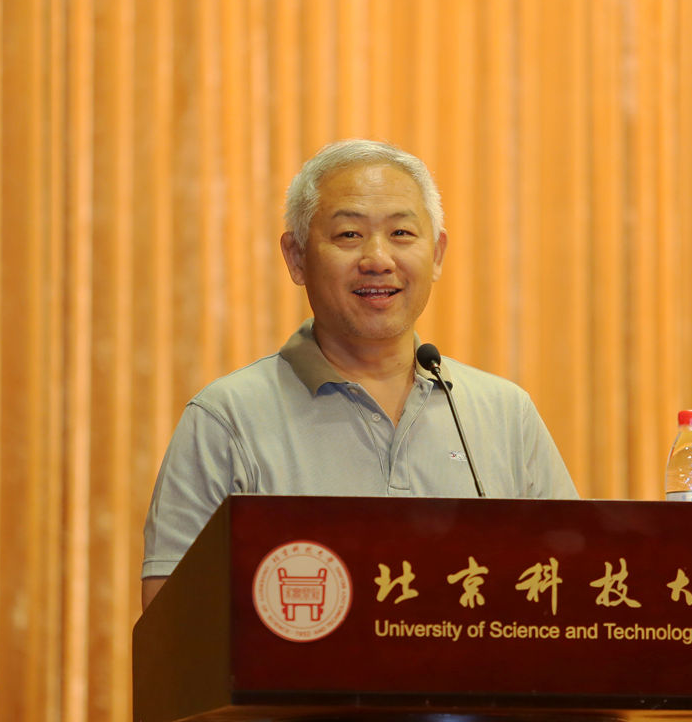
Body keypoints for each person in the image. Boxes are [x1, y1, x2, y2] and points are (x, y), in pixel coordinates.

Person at [140, 139, 578, 609]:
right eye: (349, 235)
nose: (378, 260)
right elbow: (172, 623)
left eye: (402, 233)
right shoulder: (226, 419)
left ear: (436, 254)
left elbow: (574, 590)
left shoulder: (505, 414)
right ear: (296, 257)